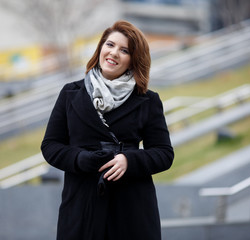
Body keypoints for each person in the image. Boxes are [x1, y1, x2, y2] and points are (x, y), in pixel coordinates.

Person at [41, 20, 174, 240]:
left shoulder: (148, 100)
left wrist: (129, 161)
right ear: (101, 48)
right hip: (81, 208)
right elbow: (50, 145)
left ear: (134, 60)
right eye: (110, 45)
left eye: (124, 50)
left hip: (132, 211)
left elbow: (164, 153)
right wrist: (80, 159)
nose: (114, 53)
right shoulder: (70, 93)